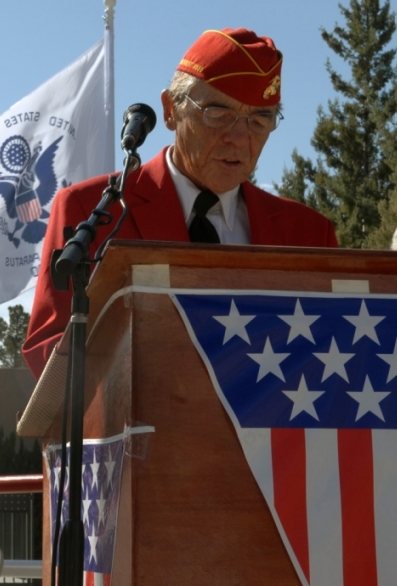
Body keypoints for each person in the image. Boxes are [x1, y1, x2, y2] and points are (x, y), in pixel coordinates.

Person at [22, 27, 340, 378]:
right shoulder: (92, 210)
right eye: (218, 115)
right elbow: (48, 350)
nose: (238, 138)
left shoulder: (309, 234)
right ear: (171, 110)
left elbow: (332, 359)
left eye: (258, 121)